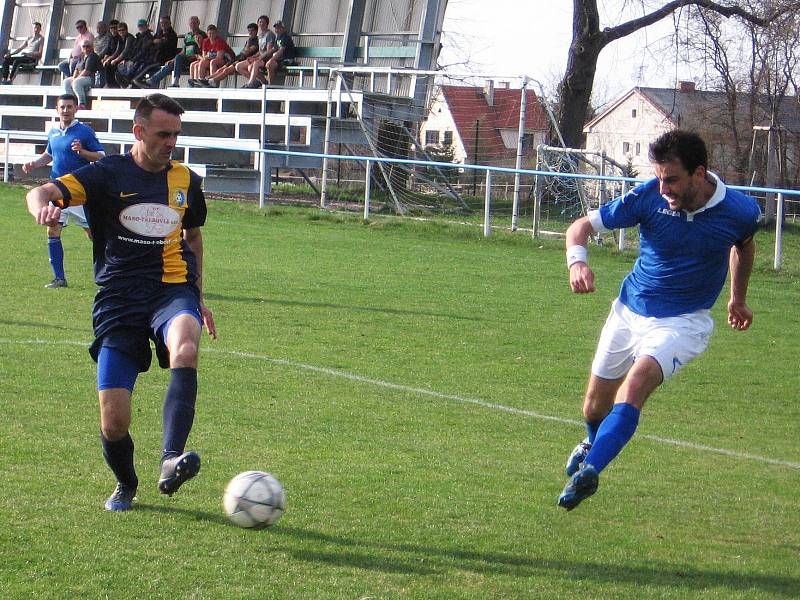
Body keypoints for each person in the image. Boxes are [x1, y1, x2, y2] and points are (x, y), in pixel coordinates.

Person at [25, 93, 217, 512]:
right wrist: (43, 210)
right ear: (139, 132)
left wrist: (199, 296)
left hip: (171, 289)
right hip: (118, 298)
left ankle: (170, 460)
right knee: (113, 423)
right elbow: (41, 191)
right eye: (163, 134)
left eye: (176, 135)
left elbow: (194, 238)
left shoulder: (187, 181)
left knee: (186, 345)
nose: (171, 142)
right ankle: (126, 483)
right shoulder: (105, 174)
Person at [557, 129, 761, 511]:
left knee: (634, 386)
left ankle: (590, 471)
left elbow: (744, 246)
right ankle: (591, 441)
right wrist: (577, 262)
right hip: (629, 309)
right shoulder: (648, 196)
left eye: (672, 179)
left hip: (683, 323)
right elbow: (579, 227)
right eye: (659, 176)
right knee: (593, 408)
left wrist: (738, 298)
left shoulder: (739, 211)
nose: (663, 186)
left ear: (699, 174)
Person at [22, 94, 105, 288]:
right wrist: (34, 164)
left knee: (94, 234)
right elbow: (49, 154)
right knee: (53, 231)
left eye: (69, 107)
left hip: (78, 192)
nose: (66, 110)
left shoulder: (85, 132)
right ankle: (59, 278)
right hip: (55, 190)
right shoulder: (53, 132)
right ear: (57, 109)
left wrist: (83, 152)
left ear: (76, 108)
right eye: (62, 107)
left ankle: (110, 273)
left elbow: (101, 156)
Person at [143, 16, 205, 88]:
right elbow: (183, 50)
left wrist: (197, 50)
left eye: (195, 23)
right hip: (186, 57)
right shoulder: (188, 35)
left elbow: (204, 49)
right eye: (191, 23)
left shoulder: (203, 35)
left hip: (195, 57)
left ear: (198, 23)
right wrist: (173, 59)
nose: (193, 25)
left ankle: (174, 82)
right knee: (171, 63)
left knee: (177, 59)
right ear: (189, 24)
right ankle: (153, 80)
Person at [203, 22, 259, 87]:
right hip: (239, 57)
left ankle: (211, 82)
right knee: (222, 68)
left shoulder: (256, 41)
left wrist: (245, 51)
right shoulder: (249, 40)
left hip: (243, 59)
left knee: (226, 70)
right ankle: (207, 79)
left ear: (256, 31)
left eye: (252, 30)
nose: (250, 32)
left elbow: (247, 52)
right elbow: (244, 51)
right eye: (249, 31)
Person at [131, 15, 178, 88]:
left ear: (170, 23)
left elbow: (165, 46)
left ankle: (135, 80)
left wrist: (158, 42)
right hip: (154, 57)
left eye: (165, 22)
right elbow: (150, 43)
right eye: (162, 23)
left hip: (163, 59)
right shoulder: (159, 32)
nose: (163, 24)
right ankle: (133, 81)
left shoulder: (172, 35)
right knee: (140, 63)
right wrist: (155, 42)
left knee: (146, 65)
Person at [236, 15, 276, 89]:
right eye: (260, 22)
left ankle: (251, 83)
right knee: (238, 66)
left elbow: (268, 51)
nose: (261, 24)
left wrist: (258, 58)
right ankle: (258, 82)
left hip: (266, 59)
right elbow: (260, 51)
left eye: (263, 22)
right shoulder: (260, 35)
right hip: (260, 57)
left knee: (253, 65)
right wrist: (254, 57)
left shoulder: (269, 34)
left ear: (267, 23)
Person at [115, 18, 153, 88]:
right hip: (137, 59)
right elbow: (133, 50)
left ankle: (129, 81)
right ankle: (127, 82)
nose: (141, 27)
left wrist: (132, 60)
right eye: (139, 26)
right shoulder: (138, 37)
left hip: (145, 59)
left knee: (134, 65)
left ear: (147, 26)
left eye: (143, 25)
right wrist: (127, 59)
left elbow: (143, 51)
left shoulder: (148, 37)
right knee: (121, 66)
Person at [63, 39, 101, 109]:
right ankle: (70, 102)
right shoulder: (82, 56)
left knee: (76, 82)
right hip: (83, 78)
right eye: (84, 46)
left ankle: (82, 104)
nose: (86, 48)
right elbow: (77, 69)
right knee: (66, 81)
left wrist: (75, 79)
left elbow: (87, 71)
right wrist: (74, 78)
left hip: (94, 78)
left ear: (92, 47)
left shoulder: (92, 56)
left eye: (88, 46)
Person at [263, 21, 296, 85]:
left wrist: (271, 60)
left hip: (287, 60)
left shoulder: (286, 37)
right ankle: (267, 84)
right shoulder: (278, 37)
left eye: (279, 28)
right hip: (281, 60)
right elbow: (273, 49)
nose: (277, 30)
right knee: (264, 64)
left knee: (270, 64)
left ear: (283, 28)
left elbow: (281, 50)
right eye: (276, 28)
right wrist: (260, 57)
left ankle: (270, 85)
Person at [104, 21, 134, 88]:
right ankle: (110, 85)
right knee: (108, 64)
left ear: (126, 30)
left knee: (115, 64)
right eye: (119, 30)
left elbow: (125, 51)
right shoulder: (120, 39)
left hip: (130, 57)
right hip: (122, 58)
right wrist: (109, 59)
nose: (121, 32)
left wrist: (116, 60)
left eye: (123, 30)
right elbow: (117, 51)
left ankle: (123, 84)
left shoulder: (129, 38)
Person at [92, 21, 112, 87]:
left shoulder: (108, 37)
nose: (98, 30)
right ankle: (91, 83)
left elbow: (106, 49)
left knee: (100, 64)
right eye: (97, 28)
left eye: (100, 28)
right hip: (94, 57)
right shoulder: (95, 39)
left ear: (105, 28)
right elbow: (92, 49)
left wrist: (96, 58)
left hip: (103, 57)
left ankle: (101, 84)